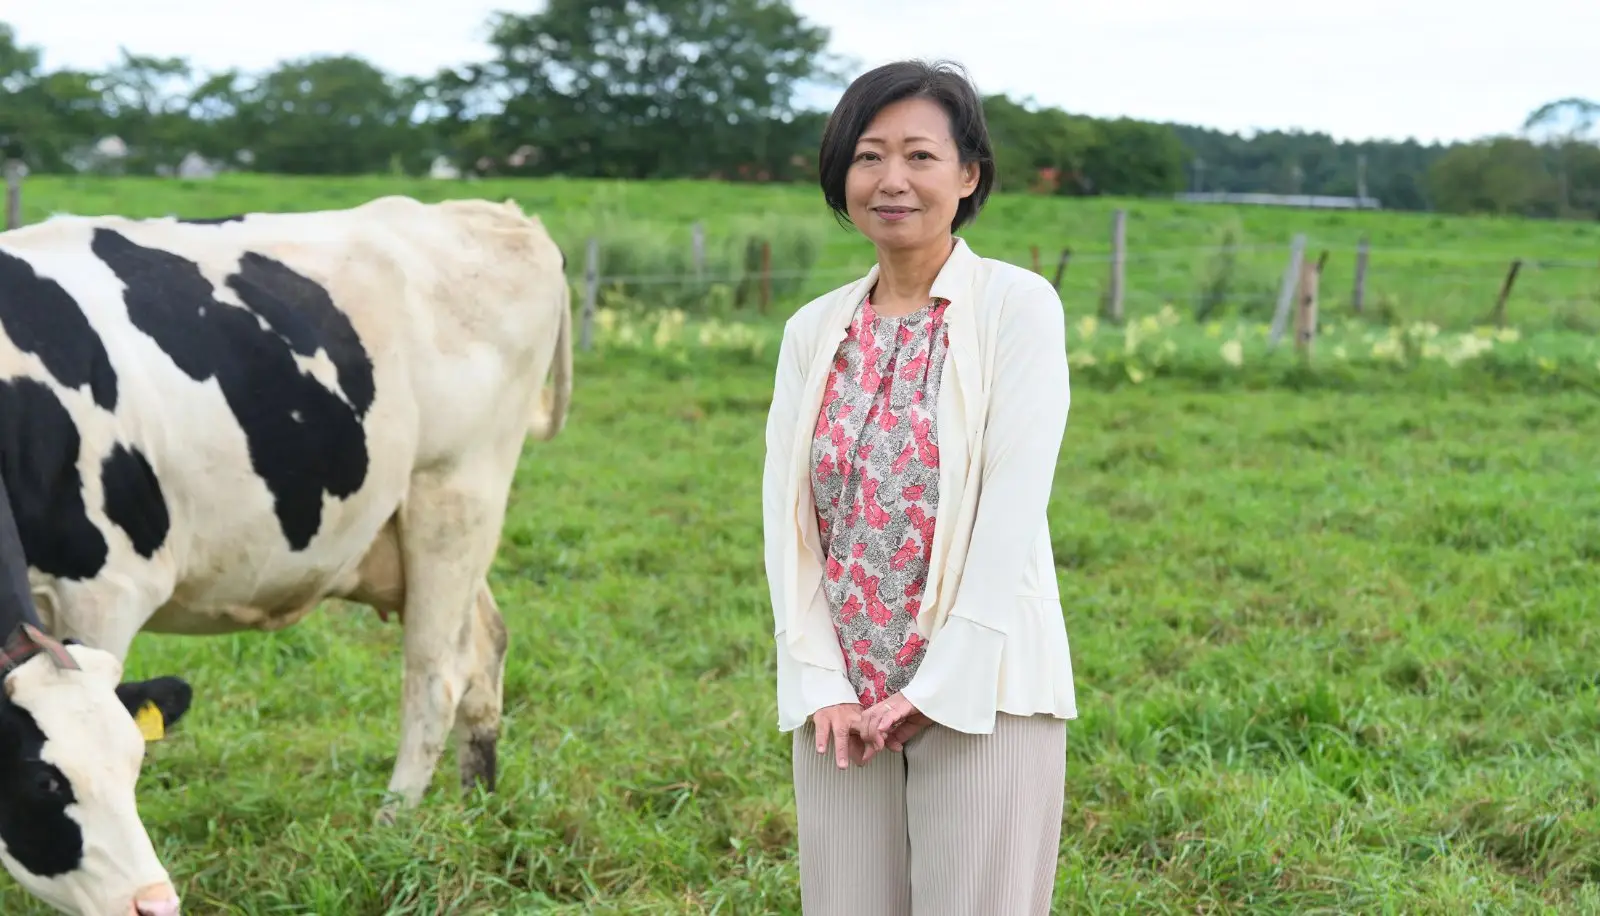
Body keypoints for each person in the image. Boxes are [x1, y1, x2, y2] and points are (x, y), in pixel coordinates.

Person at [760, 58, 1078, 915]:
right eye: (868, 156)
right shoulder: (812, 329)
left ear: (968, 175)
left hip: (986, 692)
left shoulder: (1017, 307)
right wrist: (819, 677)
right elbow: (787, 522)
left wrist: (938, 689)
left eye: (920, 156)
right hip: (845, 703)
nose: (890, 180)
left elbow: (1012, 511)